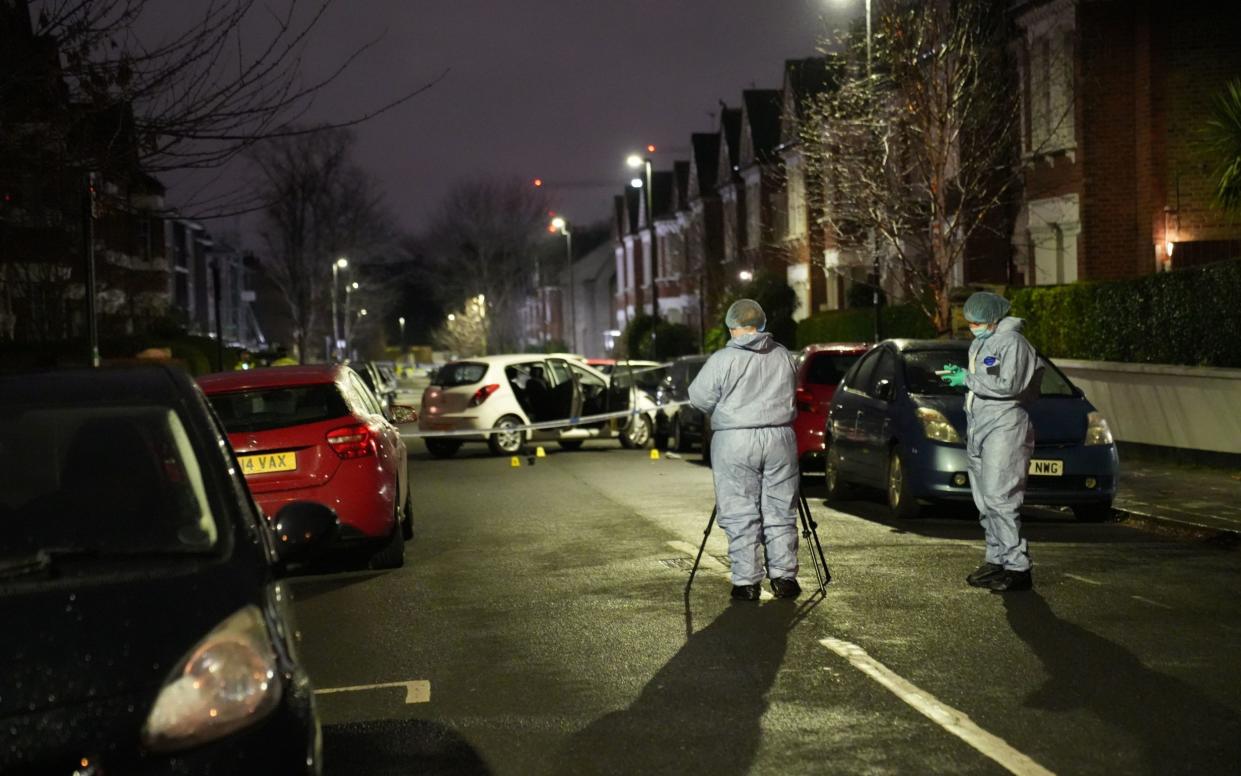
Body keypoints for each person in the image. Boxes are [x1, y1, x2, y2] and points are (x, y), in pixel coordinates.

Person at [688, 299, 800, 601]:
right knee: (780, 508)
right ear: (762, 324)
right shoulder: (783, 355)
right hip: (780, 438)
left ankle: (747, 581)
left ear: (731, 326)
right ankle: (784, 577)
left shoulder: (723, 360)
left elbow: (698, 398)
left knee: (740, 509)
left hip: (736, 440)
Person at [940, 291, 1042, 592]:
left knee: (1000, 498)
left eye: (977, 321)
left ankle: (1017, 566)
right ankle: (996, 559)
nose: (972, 326)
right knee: (985, 501)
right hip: (981, 426)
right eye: (970, 322)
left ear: (994, 319)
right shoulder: (983, 343)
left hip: (1005, 426)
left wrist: (968, 380)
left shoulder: (1014, 344)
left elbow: (1010, 385)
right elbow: (988, 382)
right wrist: (963, 380)